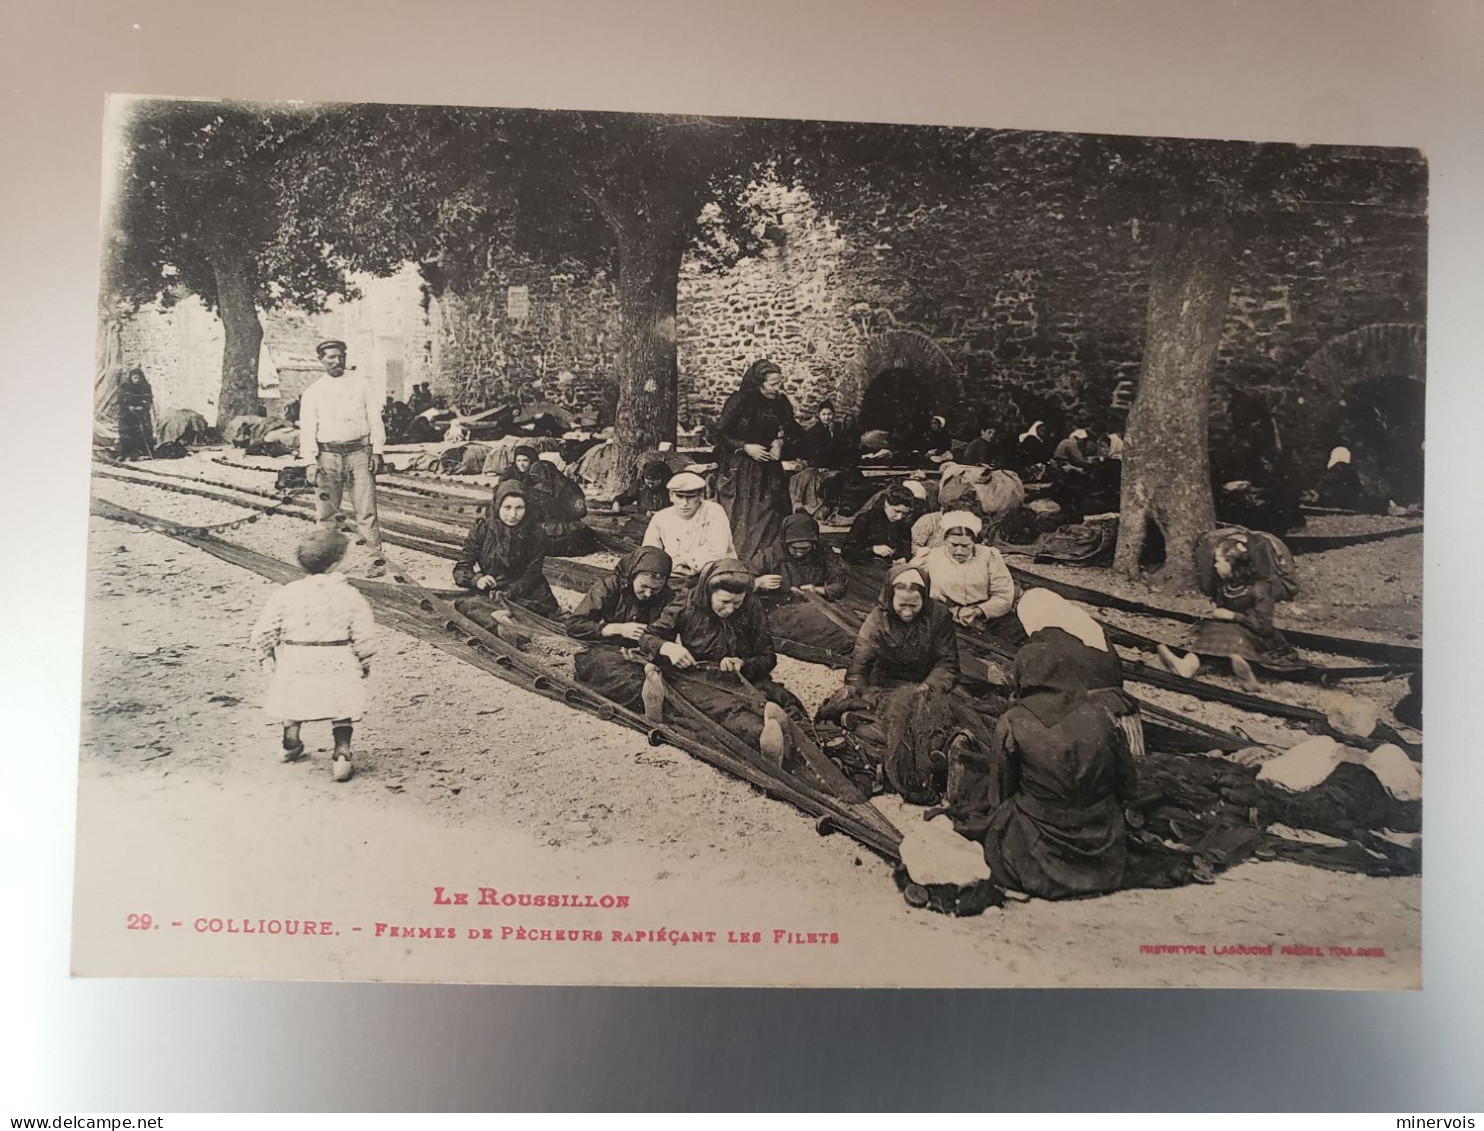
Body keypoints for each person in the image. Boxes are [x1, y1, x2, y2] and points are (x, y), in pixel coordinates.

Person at [970, 631, 1139, 899]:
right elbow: (1128, 786)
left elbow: (1000, 792)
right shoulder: (1103, 713)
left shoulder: (1013, 720)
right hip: (1104, 849)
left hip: (1040, 852)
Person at [819, 563, 997, 805]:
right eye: (902, 605)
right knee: (880, 720)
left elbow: (947, 662)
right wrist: (865, 694)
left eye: (914, 605)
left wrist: (928, 687)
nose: (907, 611)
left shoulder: (939, 616)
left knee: (951, 715)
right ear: (890, 598)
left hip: (929, 685)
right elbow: (858, 670)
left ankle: (948, 753)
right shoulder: (876, 622)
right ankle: (934, 755)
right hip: (887, 687)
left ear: (924, 599)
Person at [639, 558, 805, 764]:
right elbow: (647, 637)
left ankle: (804, 742)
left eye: (737, 603)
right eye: (724, 602)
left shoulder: (752, 605)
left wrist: (743, 663)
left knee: (784, 700)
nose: (731, 609)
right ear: (708, 593)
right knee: (728, 711)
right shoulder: (686, 603)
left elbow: (768, 657)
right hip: (700, 678)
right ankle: (768, 742)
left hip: (743, 676)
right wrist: (668, 647)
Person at [249, 529, 377, 783]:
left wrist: (265, 652)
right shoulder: (349, 595)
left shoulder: (287, 593)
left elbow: (266, 628)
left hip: (298, 656)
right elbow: (363, 632)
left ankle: (290, 743)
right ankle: (341, 754)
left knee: (294, 700)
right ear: (337, 562)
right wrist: (364, 660)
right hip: (337, 656)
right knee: (342, 706)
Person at [1161, 527, 1303, 686]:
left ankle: (1248, 676)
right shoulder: (1227, 586)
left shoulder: (1260, 589)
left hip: (1262, 639)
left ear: (1233, 564)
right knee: (1214, 631)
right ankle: (1187, 665)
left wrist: (1232, 616)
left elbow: (1264, 626)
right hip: (1234, 633)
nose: (1215, 566)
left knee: (1231, 634)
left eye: (1219, 561)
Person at [298, 339, 387, 578]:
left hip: (359, 454)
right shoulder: (313, 393)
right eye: (330, 357)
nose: (337, 361)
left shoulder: (362, 386)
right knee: (327, 513)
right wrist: (310, 461)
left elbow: (374, 420)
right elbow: (307, 429)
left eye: (340, 356)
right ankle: (326, 563)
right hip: (327, 457)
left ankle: (375, 562)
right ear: (321, 360)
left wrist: (377, 450)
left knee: (366, 511)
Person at [714, 358, 806, 564]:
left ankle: (770, 560)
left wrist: (780, 441)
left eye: (779, 383)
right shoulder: (740, 401)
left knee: (773, 510)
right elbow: (720, 434)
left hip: (769, 468)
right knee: (746, 515)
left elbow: (795, 431)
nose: (777, 388)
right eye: (773, 383)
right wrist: (745, 447)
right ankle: (742, 561)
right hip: (742, 469)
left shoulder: (781, 403)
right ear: (759, 383)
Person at [566, 546, 676, 714]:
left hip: (646, 655)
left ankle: (653, 696)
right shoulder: (609, 586)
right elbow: (575, 624)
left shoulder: (667, 597)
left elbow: (668, 632)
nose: (648, 594)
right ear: (632, 575)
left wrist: (649, 645)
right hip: (608, 649)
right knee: (619, 677)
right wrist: (616, 628)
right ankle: (650, 702)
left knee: (671, 683)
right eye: (644, 586)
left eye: (656, 589)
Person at [751, 513, 855, 658]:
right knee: (826, 628)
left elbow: (839, 585)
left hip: (816, 604)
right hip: (780, 610)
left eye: (804, 549)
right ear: (785, 542)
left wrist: (818, 590)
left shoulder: (822, 553)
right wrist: (758, 582)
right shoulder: (769, 556)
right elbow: (740, 581)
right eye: (794, 548)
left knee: (848, 621)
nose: (799, 553)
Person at [452, 480, 559, 617]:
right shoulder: (482, 529)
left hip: (527, 593)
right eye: (507, 507)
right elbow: (461, 568)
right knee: (466, 607)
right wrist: (477, 579)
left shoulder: (535, 533)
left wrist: (510, 592)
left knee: (528, 615)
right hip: (491, 590)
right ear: (497, 506)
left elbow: (532, 572)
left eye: (519, 508)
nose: (513, 515)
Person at [910, 512, 1017, 635]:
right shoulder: (931, 557)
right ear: (945, 540)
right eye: (954, 545)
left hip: (987, 616)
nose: (959, 551)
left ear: (974, 543)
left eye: (965, 546)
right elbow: (911, 583)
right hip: (945, 616)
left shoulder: (989, 556)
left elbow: (1004, 595)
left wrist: (978, 610)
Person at [642, 471, 737, 582]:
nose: (685, 503)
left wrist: (683, 561)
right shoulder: (661, 517)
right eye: (680, 497)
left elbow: (716, 550)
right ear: (671, 496)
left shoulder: (714, 512)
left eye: (690, 497)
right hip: (673, 572)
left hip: (712, 572)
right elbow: (650, 550)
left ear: (701, 496)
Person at [499, 444, 592, 553]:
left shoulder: (536, 492)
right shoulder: (572, 487)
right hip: (573, 531)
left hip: (546, 531)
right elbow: (582, 512)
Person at [842, 483, 916, 564]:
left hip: (890, 567)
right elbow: (847, 551)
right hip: (866, 567)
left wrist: (903, 558)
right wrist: (873, 549)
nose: (899, 517)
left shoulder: (903, 524)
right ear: (886, 504)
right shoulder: (865, 519)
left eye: (905, 514)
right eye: (896, 511)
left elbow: (905, 546)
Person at [115, 367, 155, 460]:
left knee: (143, 431)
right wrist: (129, 407)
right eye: (134, 378)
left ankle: (142, 452)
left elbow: (149, 400)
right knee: (126, 432)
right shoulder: (125, 386)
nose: (136, 380)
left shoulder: (146, 386)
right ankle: (126, 452)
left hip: (142, 413)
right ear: (131, 378)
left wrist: (142, 407)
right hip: (127, 414)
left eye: (138, 378)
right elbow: (120, 400)